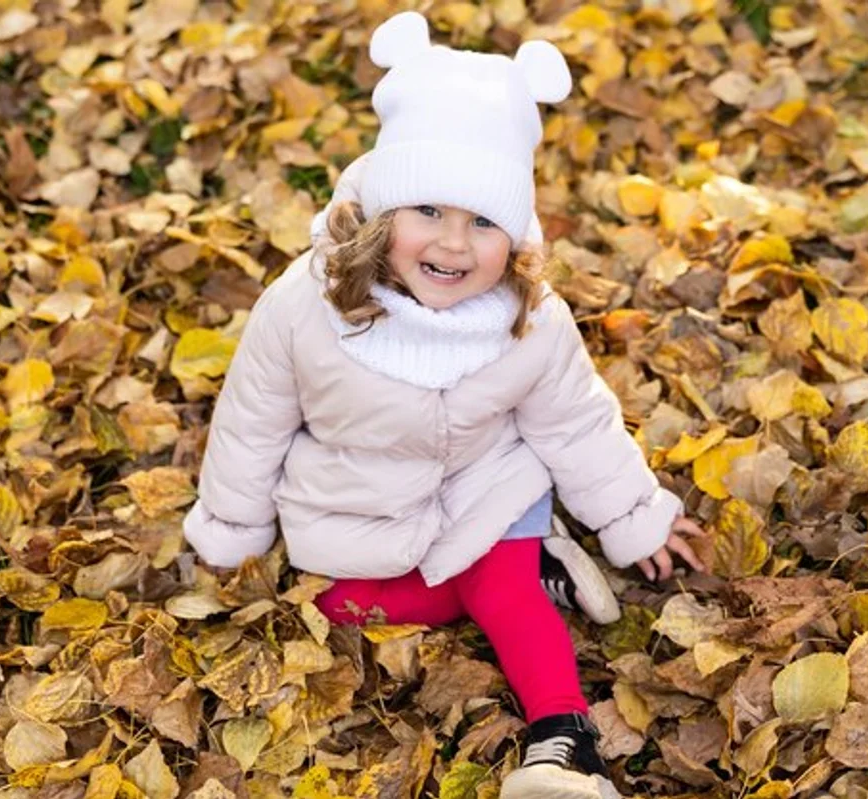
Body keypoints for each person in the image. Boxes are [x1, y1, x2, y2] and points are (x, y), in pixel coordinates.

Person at [183, 11, 706, 798]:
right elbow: (252, 419)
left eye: (483, 222)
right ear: (386, 211)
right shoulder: (303, 305)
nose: (454, 245)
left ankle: (564, 743)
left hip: (486, 487)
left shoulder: (529, 316)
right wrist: (230, 532)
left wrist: (637, 514)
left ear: (516, 233)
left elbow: (576, 419)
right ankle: (547, 565)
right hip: (358, 505)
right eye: (428, 211)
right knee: (343, 607)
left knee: (498, 582)